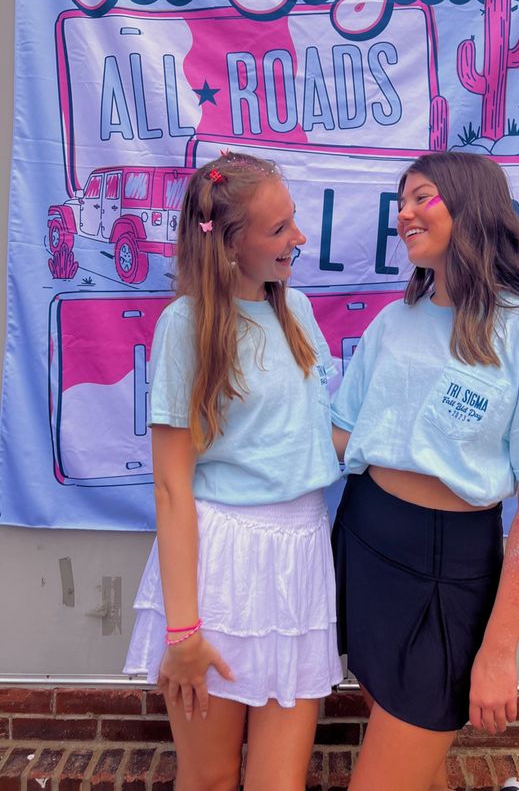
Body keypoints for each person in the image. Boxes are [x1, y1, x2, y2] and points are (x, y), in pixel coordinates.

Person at [331, 152, 519, 791]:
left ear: (469, 205)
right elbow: (341, 435)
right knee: (411, 762)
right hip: (363, 542)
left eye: (423, 197)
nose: (406, 215)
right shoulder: (394, 322)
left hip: (450, 570)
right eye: (402, 203)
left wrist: (498, 651)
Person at [124, 152, 342, 791]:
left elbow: (315, 433)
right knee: (212, 778)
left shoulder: (294, 312)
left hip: (300, 557)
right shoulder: (184, 327)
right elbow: (170, 485)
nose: (298, 239)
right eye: (278, 231)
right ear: (228, 245)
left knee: (280, 783)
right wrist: (183, 628)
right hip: (220, 567)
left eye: (293, 222)